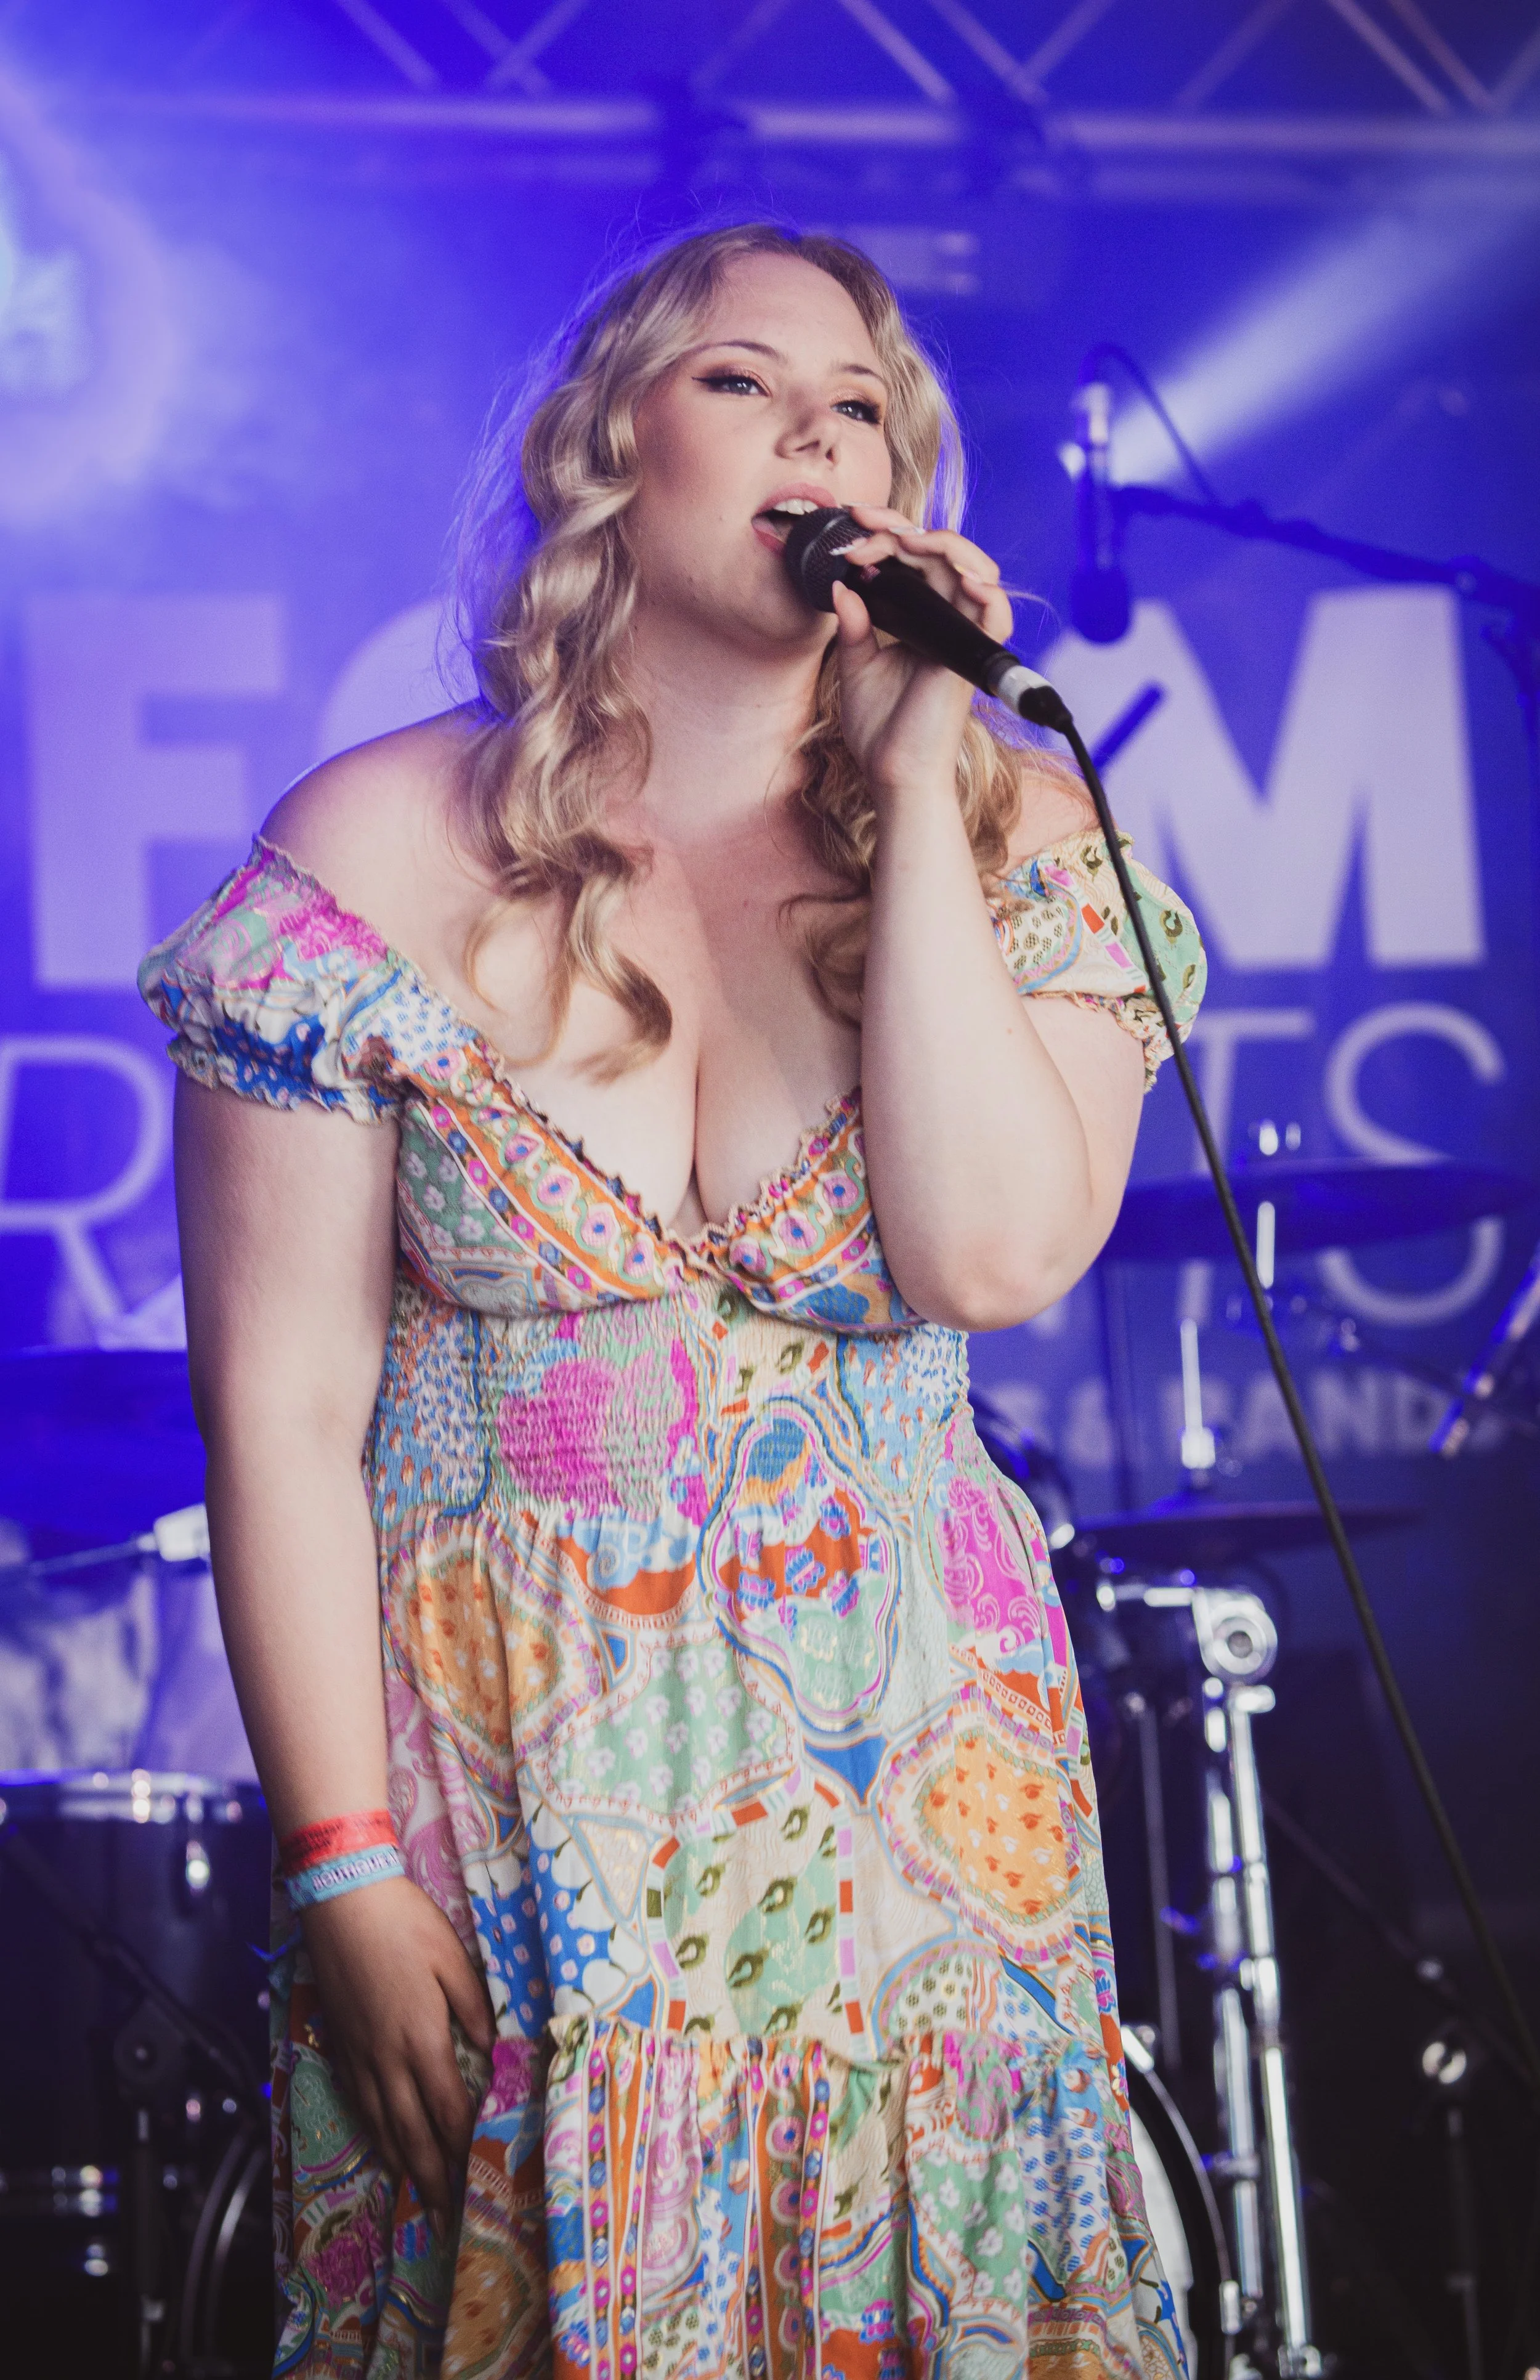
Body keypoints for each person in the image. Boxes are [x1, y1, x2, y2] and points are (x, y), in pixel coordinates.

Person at [142, 222, 1204, 2380]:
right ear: (603, 449)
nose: (818, 430)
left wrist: (913, 790)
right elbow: (279, 1410)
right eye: (743, 380)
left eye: (859, 404)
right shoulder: (371, 846)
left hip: (911, 1814)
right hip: (506, 1803)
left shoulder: (1018, 828)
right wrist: (344, 1866)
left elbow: (988, 1258)